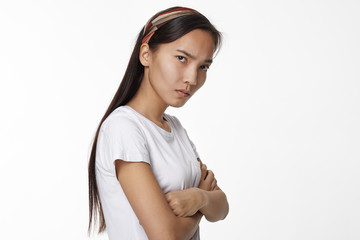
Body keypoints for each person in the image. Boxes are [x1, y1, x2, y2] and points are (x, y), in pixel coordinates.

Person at [88, 6, 229, 240]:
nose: (192, 78)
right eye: (182, 58)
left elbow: (222, 207)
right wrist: (202, 198)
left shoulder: (176, 129)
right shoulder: (124, 127)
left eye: (203, 66)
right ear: (146, 54)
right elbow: (166, 236)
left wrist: (200, 198)